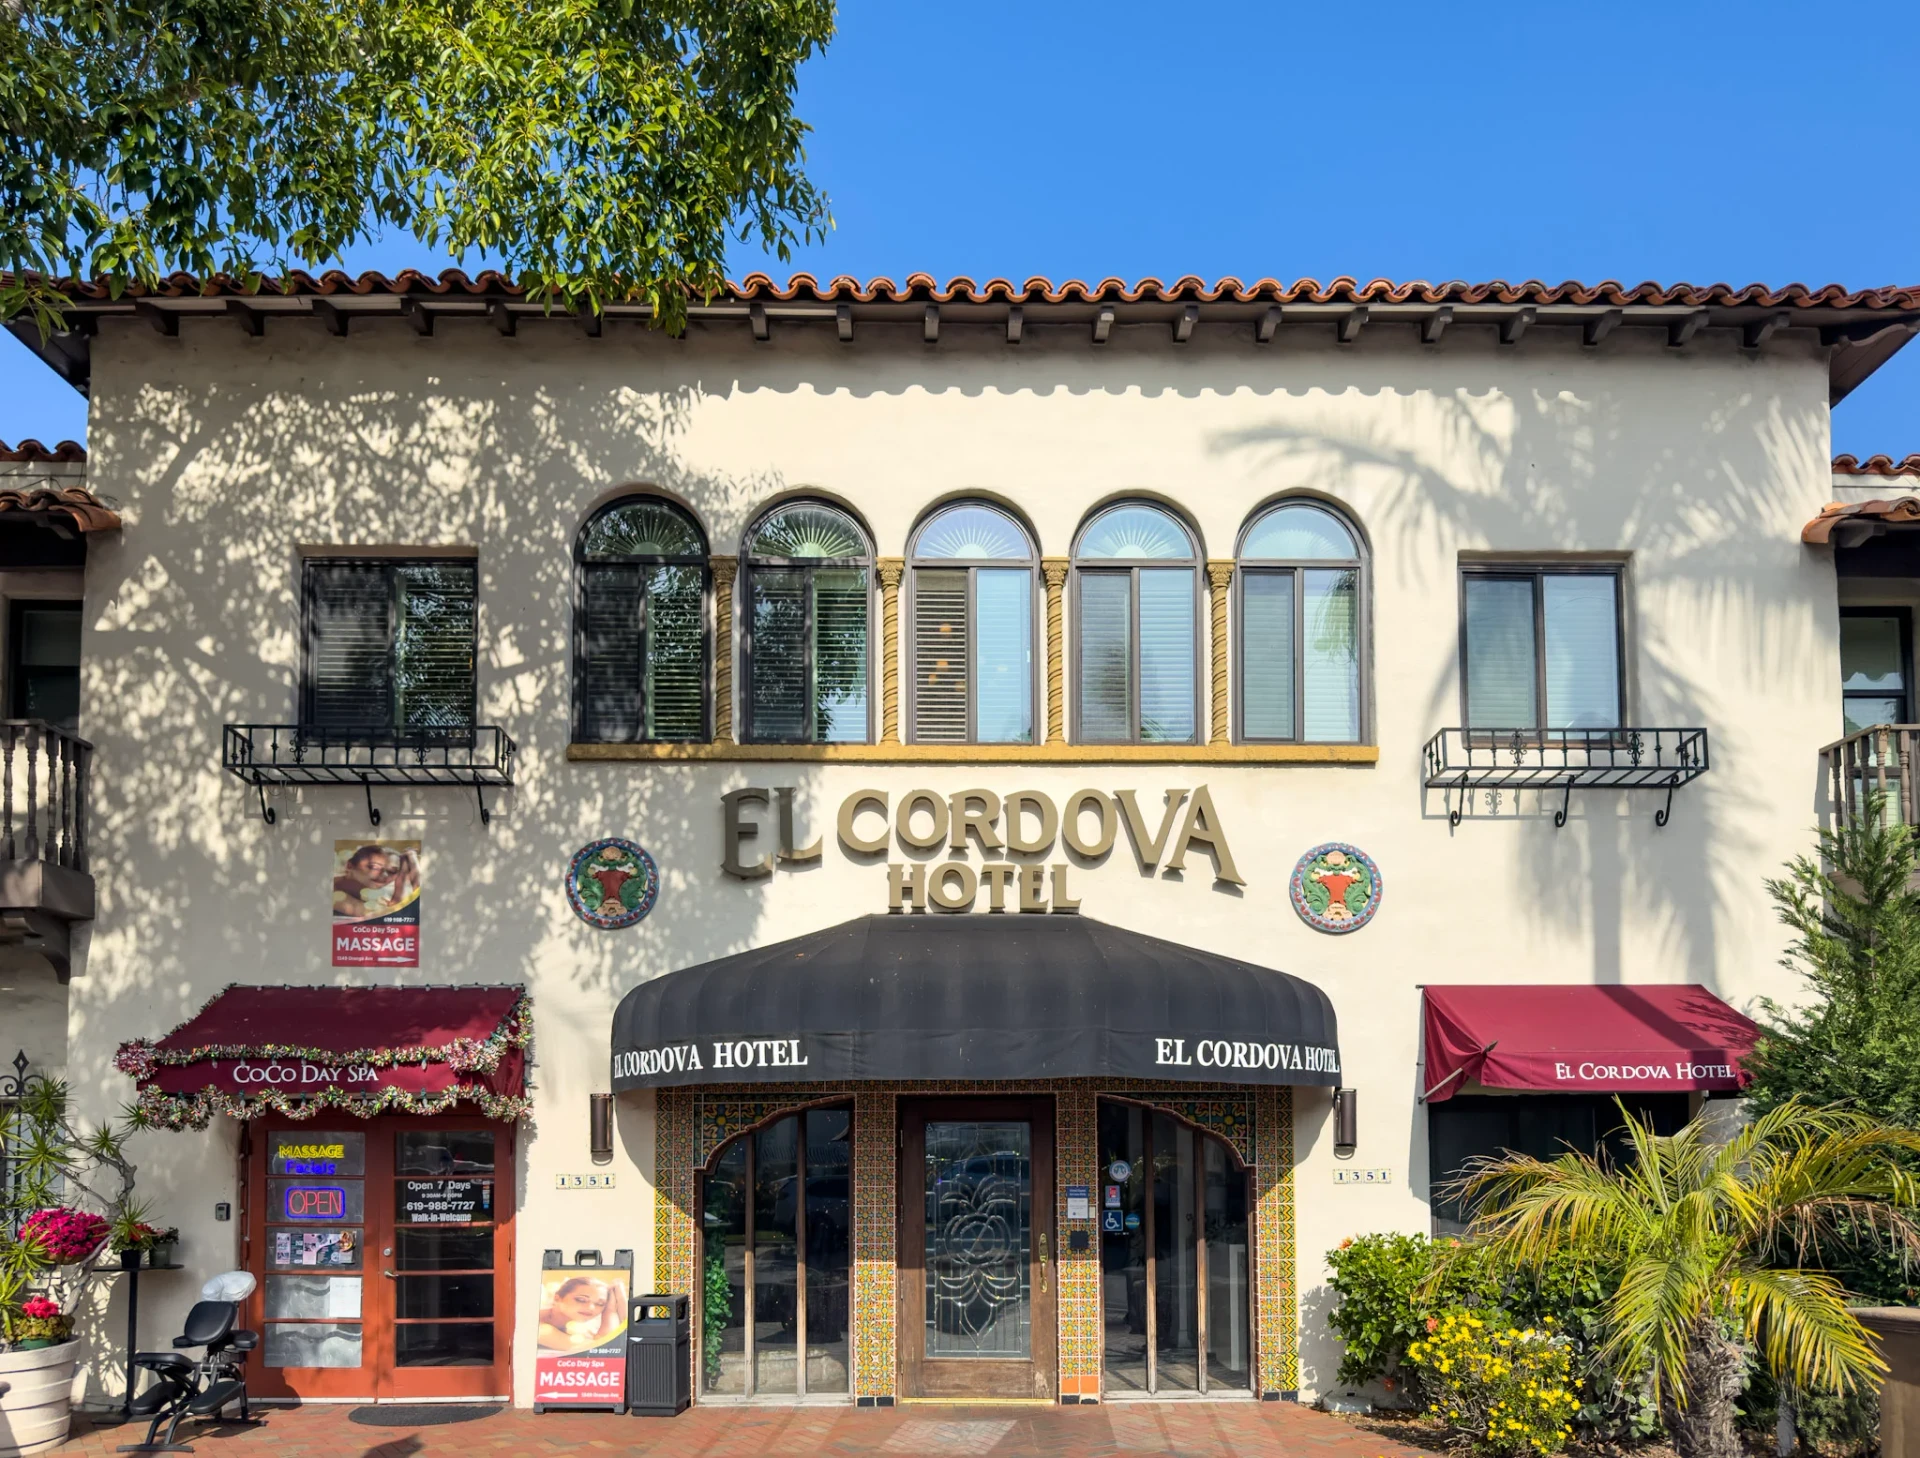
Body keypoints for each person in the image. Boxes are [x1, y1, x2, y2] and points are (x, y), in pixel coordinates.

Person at [537, 1275, 627, 1351]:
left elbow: (627, 1326)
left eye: (600, 1304)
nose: (591, 1308)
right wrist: (610, 1311)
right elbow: (602, 1348)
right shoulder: (538, 1326)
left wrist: (618, 1299)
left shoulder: (581, 1326)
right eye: (581, 1300)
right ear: (557, 1298)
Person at [333, 844, 420, 920]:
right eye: (374, 867)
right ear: (350, 866)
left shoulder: (377, 893)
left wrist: (412, 862)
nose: (385, 875)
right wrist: (403, 877)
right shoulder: (332, 891)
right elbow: (391, 915)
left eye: (393, 871)